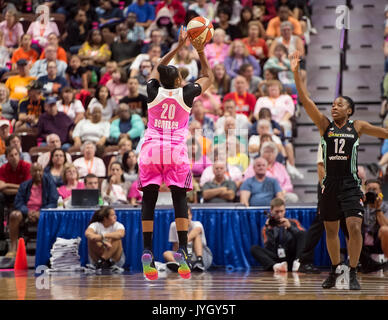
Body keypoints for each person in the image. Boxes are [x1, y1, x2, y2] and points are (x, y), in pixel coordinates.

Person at [291, 50, 388, 290]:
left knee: (354, 227)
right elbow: (305, 100)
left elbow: (385, 133)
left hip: (351, 183)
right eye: (333, 105)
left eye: (339, 105)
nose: (334, 107)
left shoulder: (359, 126)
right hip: (330, 184)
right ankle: (335, 270)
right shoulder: (325, 125)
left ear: (350, 110)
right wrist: (296, 73)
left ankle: (353, 271)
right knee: (331, 229)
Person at [138, 26, 213, 280]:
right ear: (180, 81)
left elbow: (157, 67)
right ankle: (182, 248)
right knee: (179, 199)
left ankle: (147, 250)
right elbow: (209, 77)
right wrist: (199, 50)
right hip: (174, 151)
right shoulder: (187, 93)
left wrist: (177, 47)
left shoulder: (152, 91)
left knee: (148, 200)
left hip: (150, 150)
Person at [7, 163, 58, 257]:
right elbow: (18, 203)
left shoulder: (49, 184)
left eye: (40, 170)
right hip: (26, 212)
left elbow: (53, 202)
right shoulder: (24, 185)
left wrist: (40, 212)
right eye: (35, 171)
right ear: (30, 172)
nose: (38, 173)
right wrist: (28, 212)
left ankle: (48, 250)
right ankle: (13, 248)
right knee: (14, 215)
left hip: (42, 212)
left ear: (43, 172)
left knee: (50, 216)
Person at [250, 197, 306, 272]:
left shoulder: (293, 222)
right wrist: (269, 230)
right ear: (271, 211)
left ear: (285, 211)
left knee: (302, 234)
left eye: (281, 211)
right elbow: (268, 247)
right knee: (254, 248)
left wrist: (290, 227)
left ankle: (298, 262)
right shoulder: (267, 227)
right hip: (277, 258)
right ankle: (275, 266)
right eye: (276, 212)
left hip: (292, 256)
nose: (279, 214)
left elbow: (303, 237)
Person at [163, 207, 213, 272]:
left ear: (191, 216)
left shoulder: (197, 224)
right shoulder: (173, 226)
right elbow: (175, 247)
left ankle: (199, 262)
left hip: (203, 255)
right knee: (166, 254)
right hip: (185, 255)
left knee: (197, 236)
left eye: (187, 215)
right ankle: (180, 265)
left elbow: (197, 231)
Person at [358, 179, 388, 273]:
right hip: (362, 241)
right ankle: (355, 262)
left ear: (380, 192)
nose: (372, 192)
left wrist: (377, 209)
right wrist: (362, 205)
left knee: (385, 230)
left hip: (378, 241)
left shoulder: (385, 206)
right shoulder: (360, 205)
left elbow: (386, 226)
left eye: (374, 189)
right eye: (369, 189)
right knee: (350, 229)